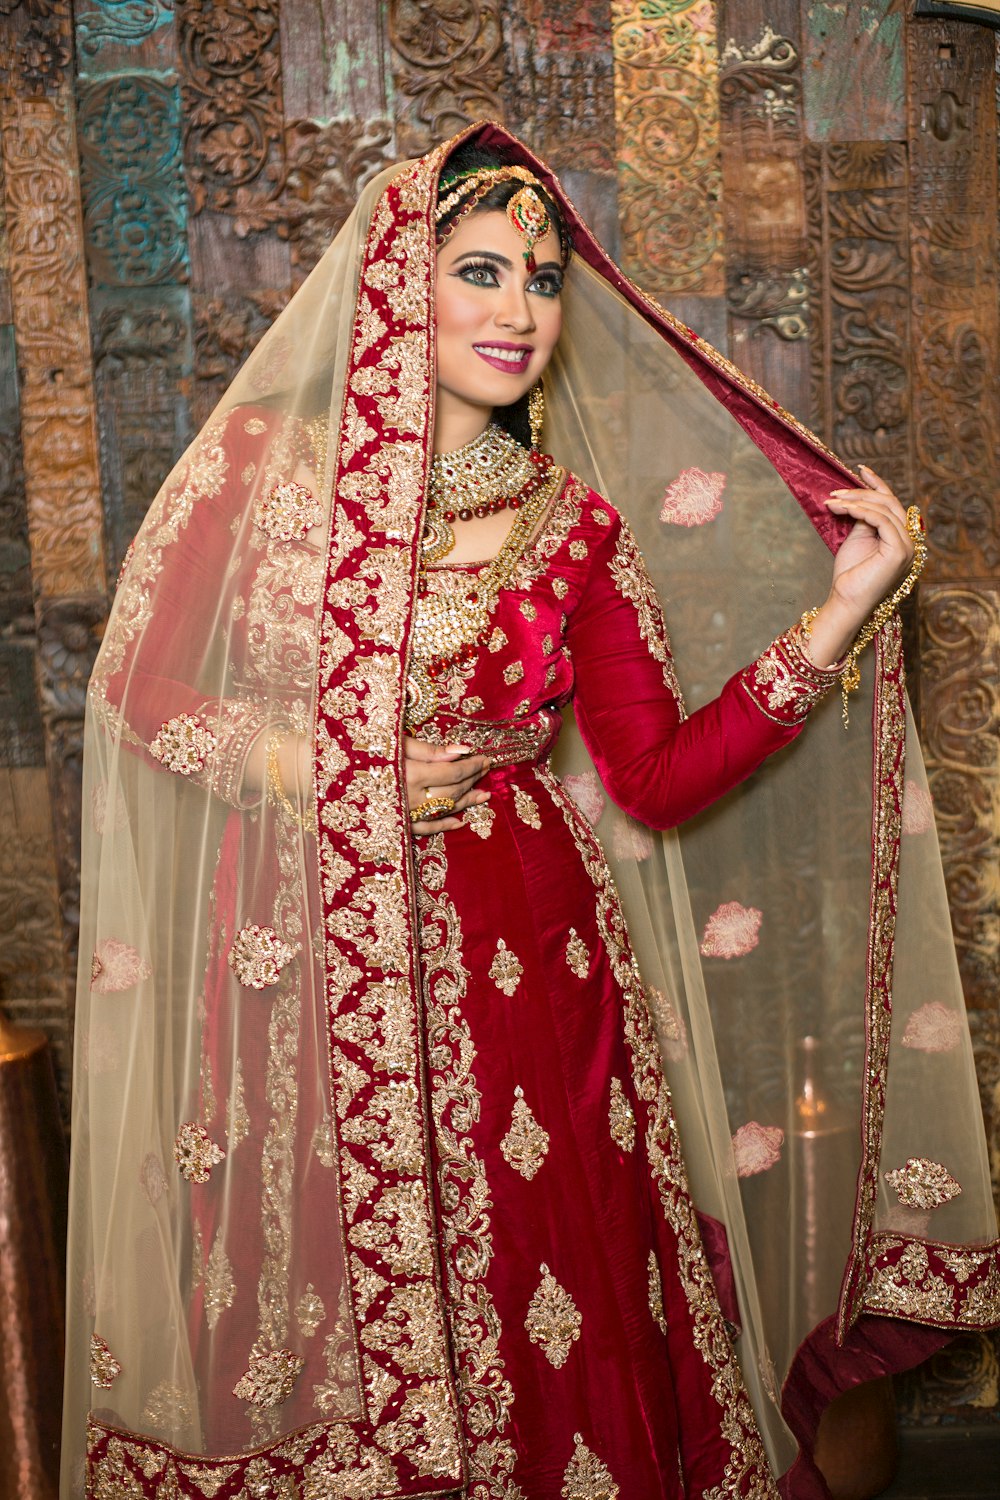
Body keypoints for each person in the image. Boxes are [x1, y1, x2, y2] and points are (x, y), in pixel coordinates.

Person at [64, 123, 999, 1500]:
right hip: (304, 960)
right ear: (400, 280)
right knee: (308, 1290)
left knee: (538, 1288)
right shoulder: (267, 470)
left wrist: (845, 608)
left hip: (529, 969)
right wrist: (323, 766)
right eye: (483, 271)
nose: (518, 311)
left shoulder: (575, 527)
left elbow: (660, 776)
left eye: (544, 280)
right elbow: (135, 687)